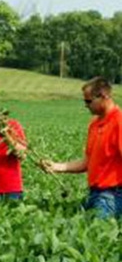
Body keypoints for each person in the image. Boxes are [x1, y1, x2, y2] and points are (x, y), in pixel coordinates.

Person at [42, 77, 122, 218]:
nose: (85, 105)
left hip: (112, 195)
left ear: (104, 96)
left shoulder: (119, 122)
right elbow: (87, 162)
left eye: (88, 101)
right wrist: (56, 166)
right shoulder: (94, 125)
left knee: (97, 235)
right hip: (94, 193)